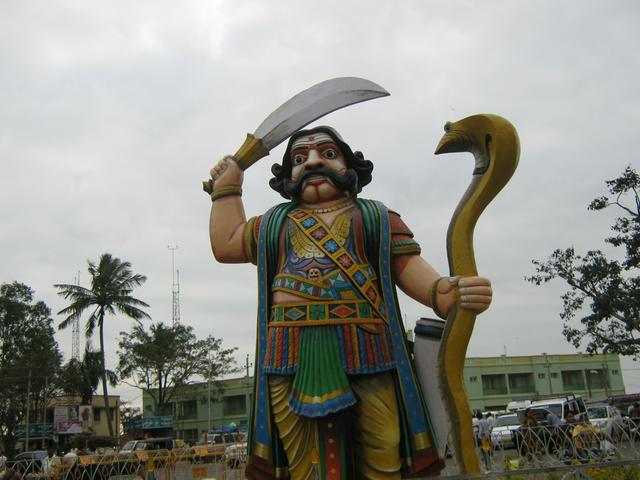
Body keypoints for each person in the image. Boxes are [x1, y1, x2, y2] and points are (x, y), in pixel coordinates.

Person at [208, 126, 493, 480]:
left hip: (367, 345)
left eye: (327, 154)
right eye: (299, 159)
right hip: (290, 351)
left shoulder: (375, 216)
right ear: (287, 176)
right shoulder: (273, 223)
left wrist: (442, 292)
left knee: (382, 447)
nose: (312, 162)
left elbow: (406, 266)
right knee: (303, 461)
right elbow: (227, 244)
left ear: (349, 166)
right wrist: (226, 190)